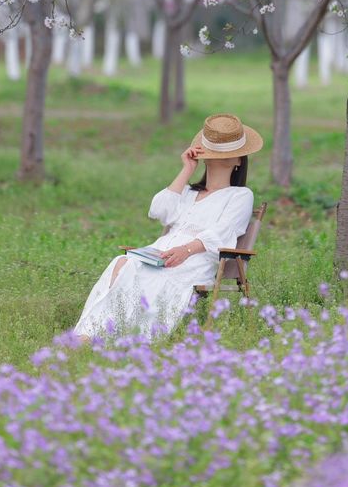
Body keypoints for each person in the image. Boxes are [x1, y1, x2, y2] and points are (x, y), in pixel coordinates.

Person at [73, 113, 263, 341]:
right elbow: (158, 211)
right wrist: (186, 170)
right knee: (123, 262)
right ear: (204, 155)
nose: (219, 158)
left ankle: (114, 338)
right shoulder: (189, 192)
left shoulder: (240, 195)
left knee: (149, 276)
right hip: (161, 252)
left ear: (239, 160)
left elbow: (223, 233)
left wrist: (186, 250)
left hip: (197, 258)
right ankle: (95, 333)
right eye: (214, 152)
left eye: (228, 153)